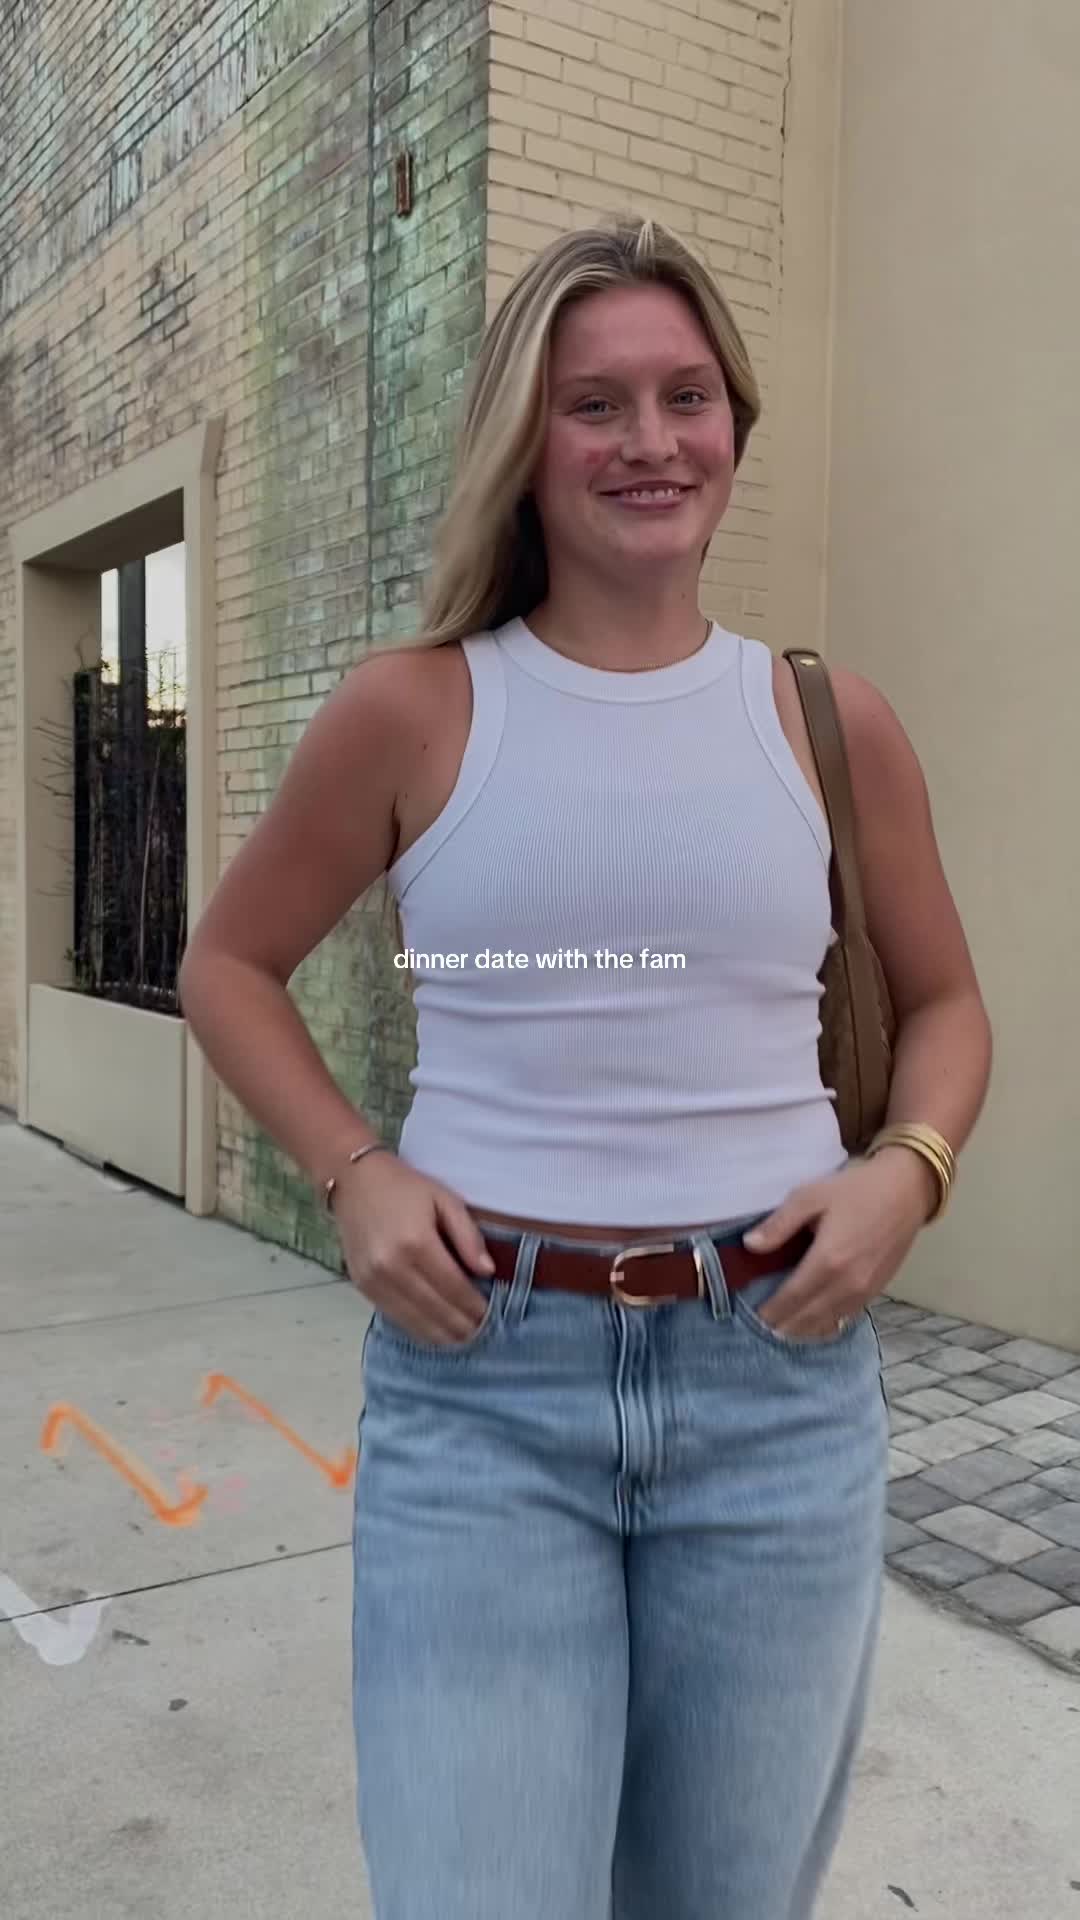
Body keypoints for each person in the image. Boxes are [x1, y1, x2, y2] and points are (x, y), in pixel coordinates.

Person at [179, 217, 993, 1919]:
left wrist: (905, 1175)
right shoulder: (413, 712)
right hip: (487, 1383)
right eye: (594, 404)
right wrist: (355, 1169)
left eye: (686, 396)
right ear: (524, 443)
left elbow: (946, 1006)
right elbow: (228, 966)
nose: (650, 441)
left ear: (736, 423)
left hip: (777, 1380)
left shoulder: (827, 722)